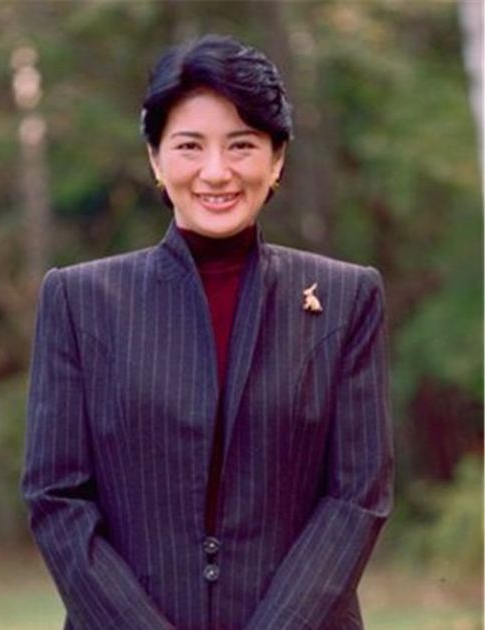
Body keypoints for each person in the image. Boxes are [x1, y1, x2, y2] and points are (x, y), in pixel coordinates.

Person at [22, 34, 393, 630]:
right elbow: (56, 496)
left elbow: (357, 496)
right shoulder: (78, 299)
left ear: (276, 159)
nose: (216, 172)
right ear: (155, 159)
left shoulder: (348, 297)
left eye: (241, 145)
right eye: (189, 146)